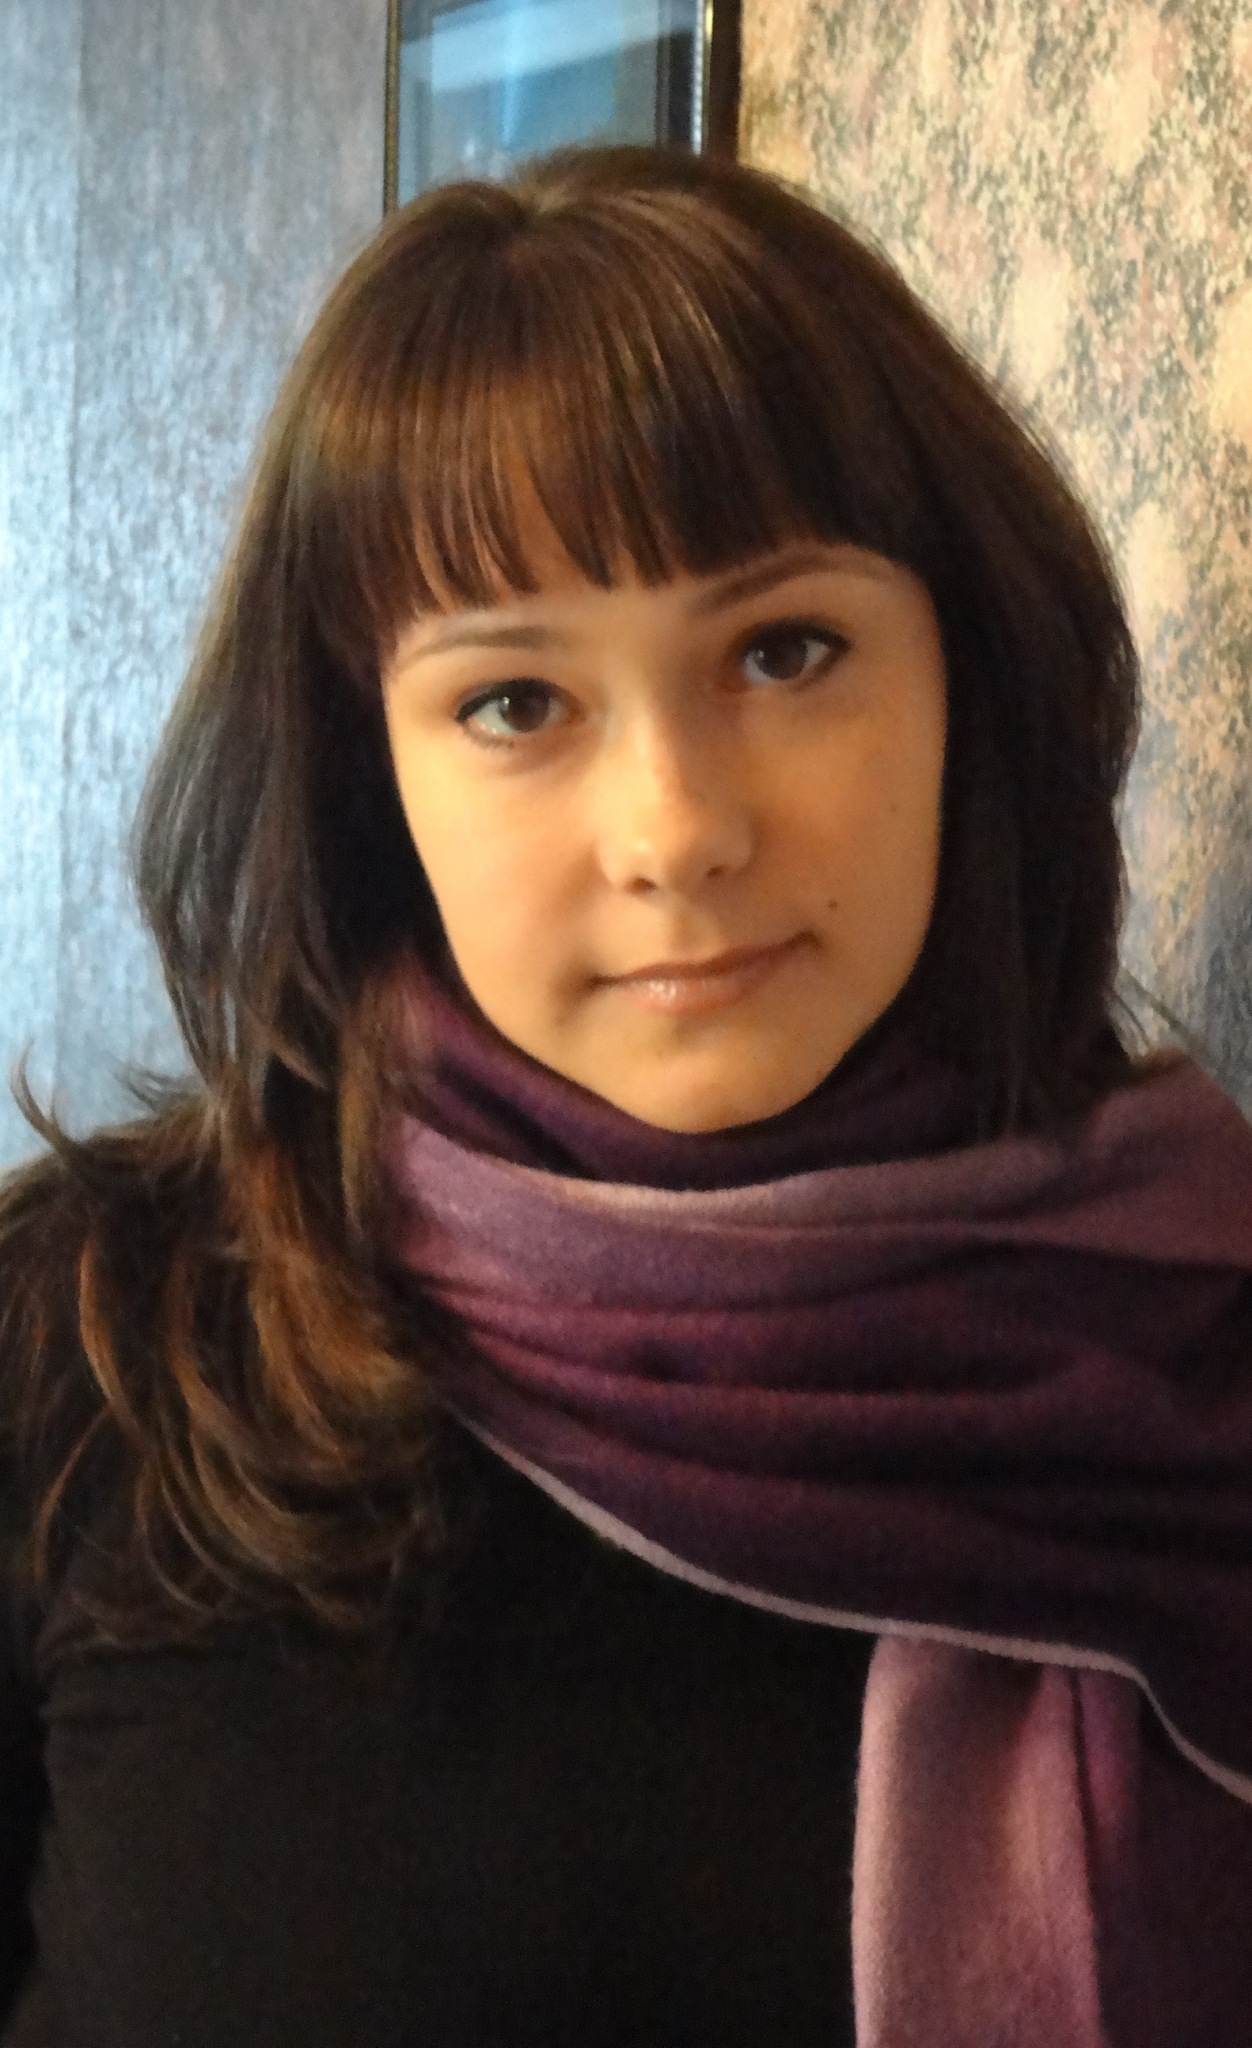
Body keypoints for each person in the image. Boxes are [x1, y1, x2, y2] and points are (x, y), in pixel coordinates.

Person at [1, 143, 1250, 2048]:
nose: (676, 829)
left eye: (785, 651)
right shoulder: (89, 1352)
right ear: (372, 772)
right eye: (515, 702)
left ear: (963, 680)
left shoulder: (1198, 1349)